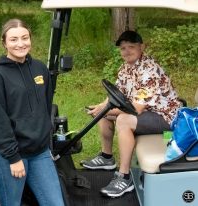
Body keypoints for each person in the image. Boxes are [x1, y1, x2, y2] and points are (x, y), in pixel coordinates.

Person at [81, 30, 182, 198]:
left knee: (124, 120)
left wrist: (106, 109)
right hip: (149, 114)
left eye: (131, 47)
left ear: (142, 47)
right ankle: (107, 157)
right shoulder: (125, 68)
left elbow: (136, 109)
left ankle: (124, 177)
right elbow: (115, 96)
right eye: (123, 48)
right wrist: (99, 107)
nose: (126, 51)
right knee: (104, 114)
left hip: (167, 119)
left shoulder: (149, 69)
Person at [0, 19, 64, 206]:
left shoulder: (40, 69)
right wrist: (13, 157)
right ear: (4, 43)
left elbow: (45, 107)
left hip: (40, 152)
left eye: (24, 37)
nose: (20, 43)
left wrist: (45, 138)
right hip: (10, 154)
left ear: (30, 39)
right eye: (13, 39)